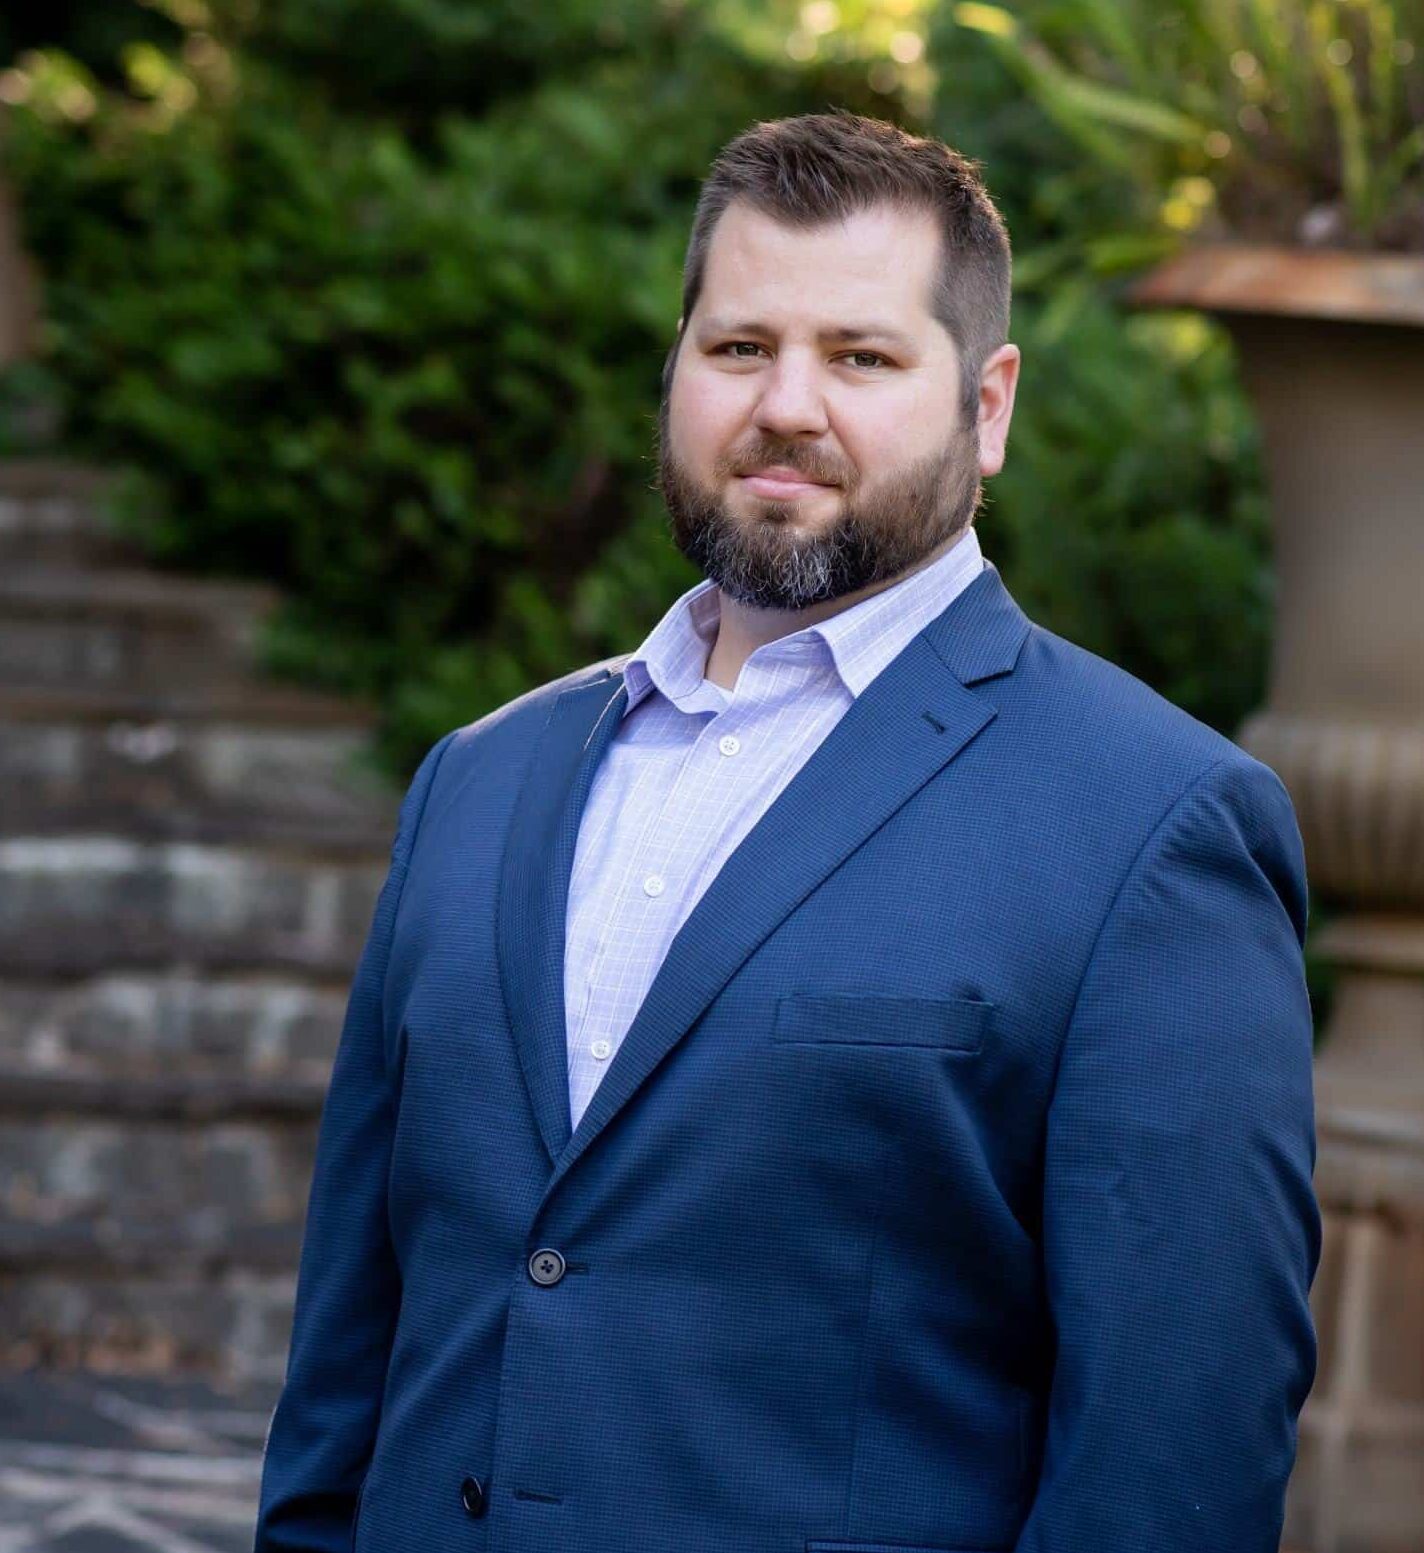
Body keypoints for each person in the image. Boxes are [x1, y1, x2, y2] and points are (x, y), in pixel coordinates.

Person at [254, 110, 1319, 1553]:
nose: (784, 406)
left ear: (985, 405)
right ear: (678, 368)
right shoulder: (477, 780)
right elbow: (349, 1349)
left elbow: (1173, 1454)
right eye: (739, 346)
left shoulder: (1152, 824)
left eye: (862, 357)